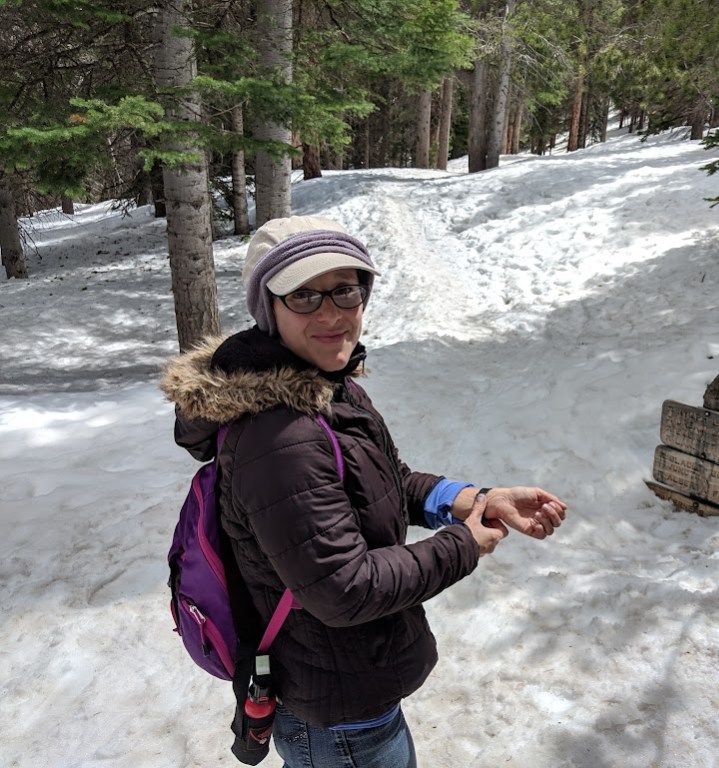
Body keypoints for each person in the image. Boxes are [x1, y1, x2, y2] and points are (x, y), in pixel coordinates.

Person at [161, 215, 567, 768]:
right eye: (303, 295)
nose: (331, 313)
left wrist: (472, 499)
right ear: (268, 308)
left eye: (345, 290)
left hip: (346, 690)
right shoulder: (280, 437)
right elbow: (344, 589)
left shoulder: (328, 385)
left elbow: (389, 483)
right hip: (339, 717)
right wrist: (464, 545)